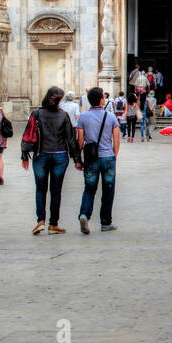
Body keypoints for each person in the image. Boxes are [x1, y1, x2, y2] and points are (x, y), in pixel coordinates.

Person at [21, 85, 80, 235]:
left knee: (40, 189)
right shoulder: (63, 115)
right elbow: (71, 139)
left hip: (41, 155)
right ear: (59, 100)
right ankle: (53, 224)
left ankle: (40, 220)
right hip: (60, 156)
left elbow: (28, 133)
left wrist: (24, 154)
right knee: (56, 190)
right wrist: (77, 159)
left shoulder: (37, 113)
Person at [76, 85, 120, 233]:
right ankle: (105, 222)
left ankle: (84, 214)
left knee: (89, 188)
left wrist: (78, 159)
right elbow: (116, 141)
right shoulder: (111, 117)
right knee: (108, 190)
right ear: (102, 99)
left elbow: (80, 141)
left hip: (91, 158)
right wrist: (114, 155)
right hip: (107, 157)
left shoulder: (83, 117)